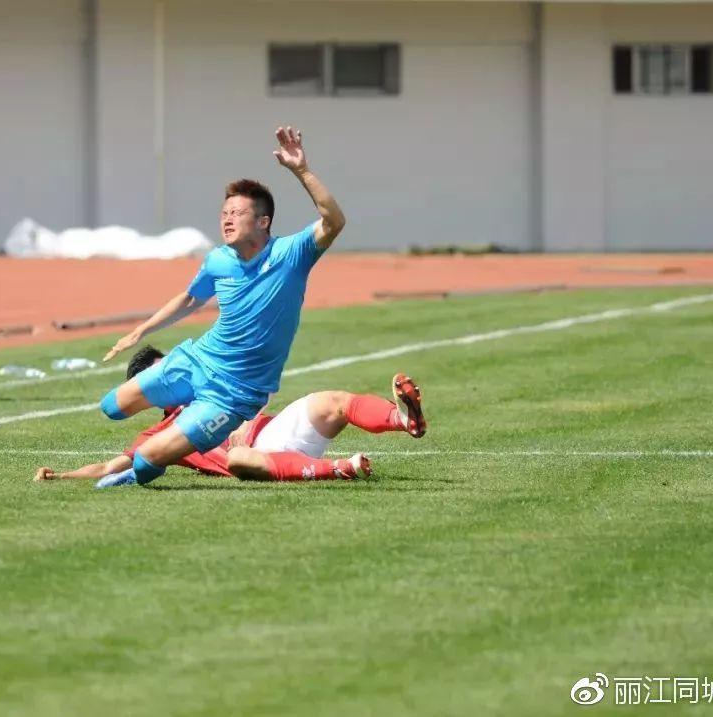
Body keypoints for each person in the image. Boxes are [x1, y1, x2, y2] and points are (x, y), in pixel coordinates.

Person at [95, 127, 346, 489]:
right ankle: (184, 412)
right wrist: (139, 331)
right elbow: (189, 299)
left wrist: (301, 171)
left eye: (237, 213)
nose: (226, 219)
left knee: (147, 459)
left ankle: (147, 465)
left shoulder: (292, 253)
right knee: (112, 407)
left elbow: (334, 221)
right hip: (196, 361)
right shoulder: (218, 260)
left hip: (234, 394)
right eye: (224, 212)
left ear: (263, 222)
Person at [35, 345, 426, 484]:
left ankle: (402, 420)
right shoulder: (160, 436)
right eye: (161, 375)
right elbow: (110, 468)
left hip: (275, 436)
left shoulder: (214, 383)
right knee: (239, 457)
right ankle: (339, 469)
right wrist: (60, 476)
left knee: (330, 400)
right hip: (255, 460)